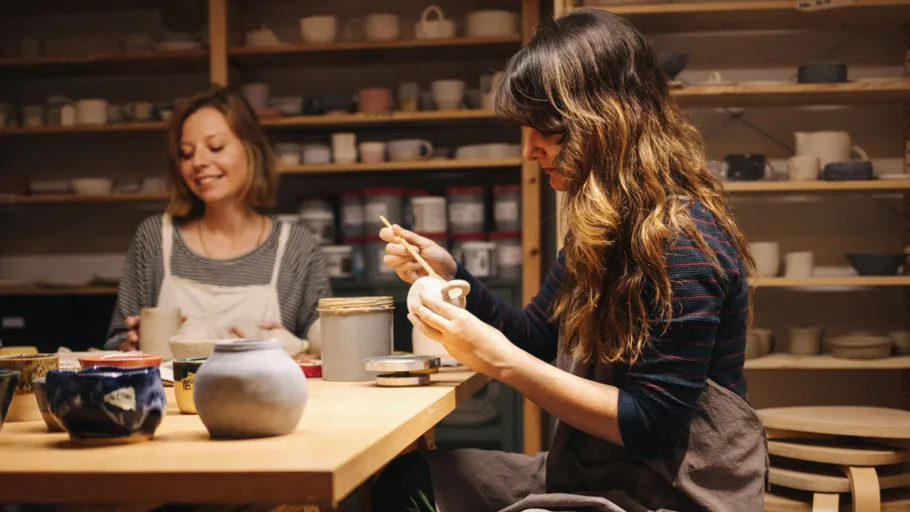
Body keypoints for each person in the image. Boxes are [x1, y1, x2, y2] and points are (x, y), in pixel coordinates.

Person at [373, 9, 767, 512]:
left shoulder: (683, 240)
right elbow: (537, 336)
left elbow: (651, 426)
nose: (529, 149)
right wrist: (453, 275)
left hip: (676, 493)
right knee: (408, 479)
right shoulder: (599, 226)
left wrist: (500, 360)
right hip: (597, 474)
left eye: (546, 128)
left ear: (609, 120)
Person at [105, 86, 330, 355]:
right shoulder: (154, 239)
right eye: (186, 153)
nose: (198, 162)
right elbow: (115, 342)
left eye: (215, 147)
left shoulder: (295, 248)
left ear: (252, 150)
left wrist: (298, 348)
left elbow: (328, 350)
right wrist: (130, 344)